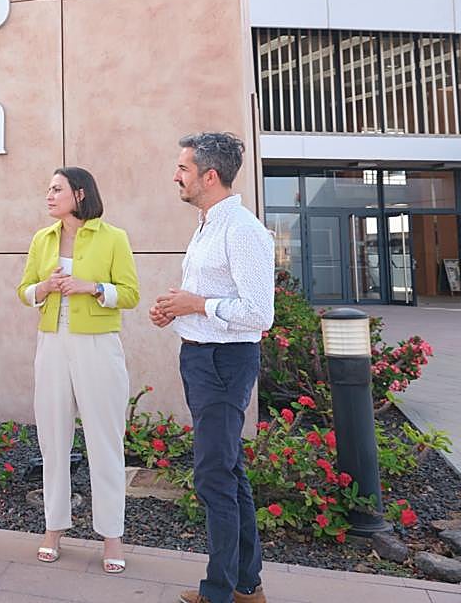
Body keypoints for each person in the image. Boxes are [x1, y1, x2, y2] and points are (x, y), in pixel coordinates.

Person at [148, 133, 274, 603]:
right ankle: (245, 585)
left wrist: (196, 304)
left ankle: (220, 592)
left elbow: (259, 313)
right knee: (228, 471)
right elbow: (209, 297)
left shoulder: (241, 230)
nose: (175, 176)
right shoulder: (209, 224)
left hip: (224, 363)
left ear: (210, 176)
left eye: (183, 168)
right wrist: (177, 310)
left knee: (213, 477)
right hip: (202, 358)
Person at [17, 167, 139, 573]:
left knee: (105, 442)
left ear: (80, 193)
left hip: (98, 346)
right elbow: (24, 290)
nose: (49, 195)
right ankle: (54, 527)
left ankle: (112, 536)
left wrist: (93, 287)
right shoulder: (42, 239)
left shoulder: (113, 237)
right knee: (52, 440)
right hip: (51, 342)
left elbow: (131, 294)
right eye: (48, 189)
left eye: (57, 189)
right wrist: (44, 288)